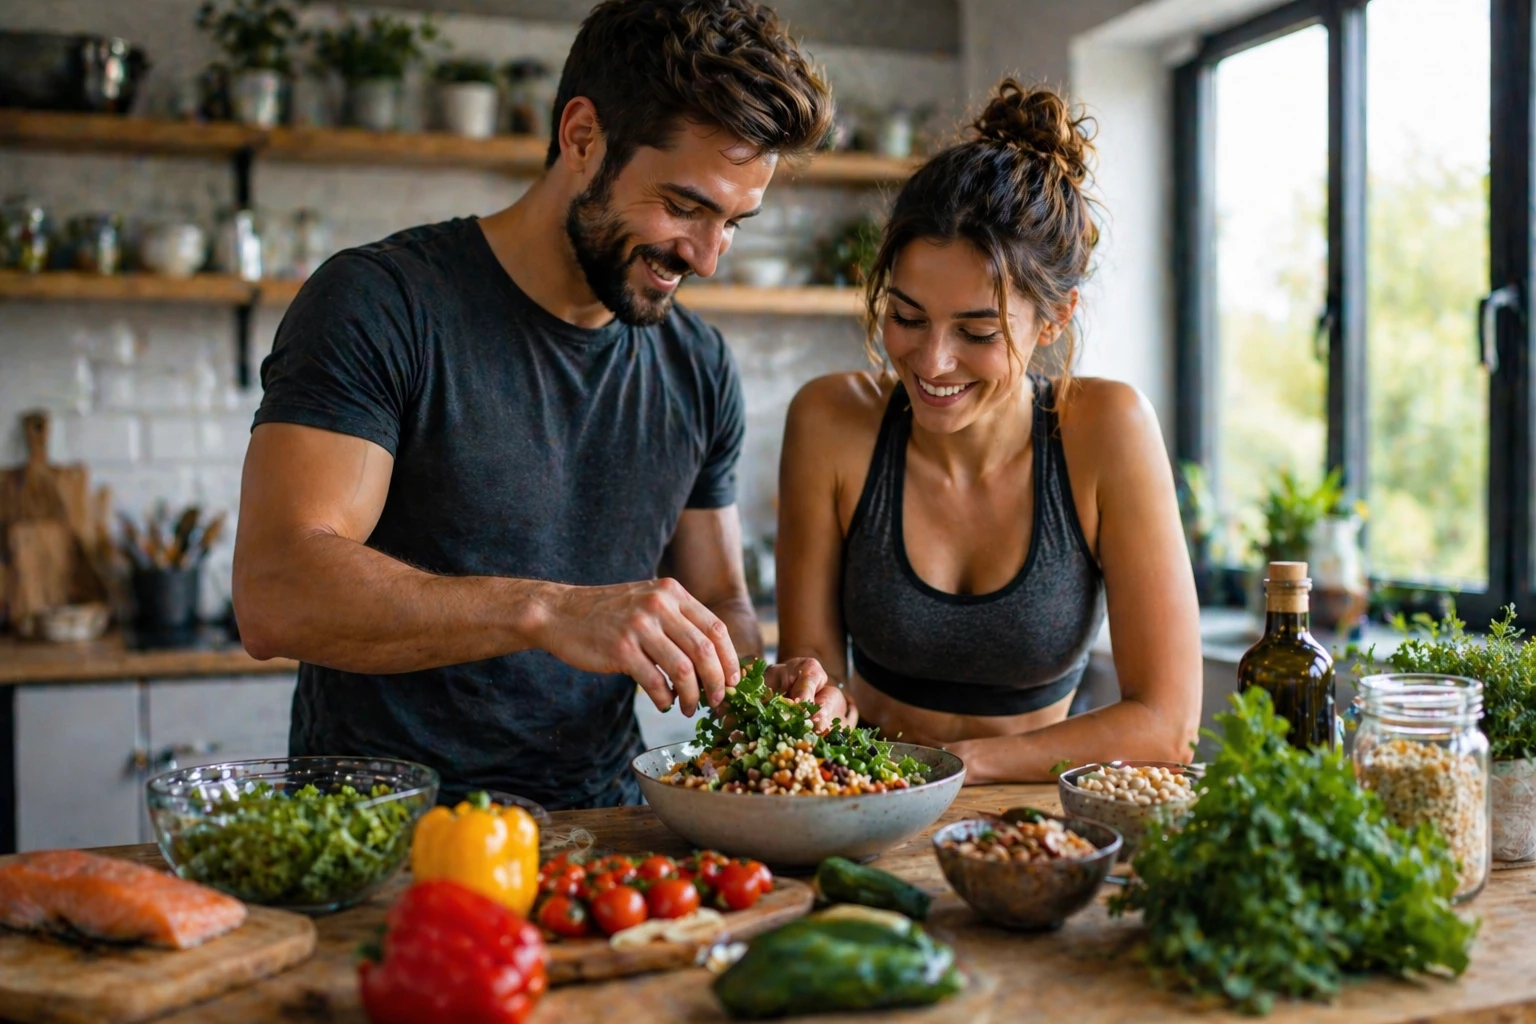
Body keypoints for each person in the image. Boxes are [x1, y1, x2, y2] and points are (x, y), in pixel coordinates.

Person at [231, 0, 848, 810]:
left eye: (734, 222)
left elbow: (722, 599)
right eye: (686, 206)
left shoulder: (697, 365)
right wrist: (547, 609)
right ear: (582, 137)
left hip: (602, 833)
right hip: (380, 834)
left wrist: (757, 685)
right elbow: (275, 591)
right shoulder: (383, 304)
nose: (705, 255)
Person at [774, 80, 1203, 784]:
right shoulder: (829, 422)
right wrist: (805, 699)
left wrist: (956, 769)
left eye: (977, 331)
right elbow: (814, 682)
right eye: (907, 318)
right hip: (867, 807)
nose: (931, 362)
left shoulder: (1107, 431)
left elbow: (1166, 724)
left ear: (1055, 319)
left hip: (1037, 822)